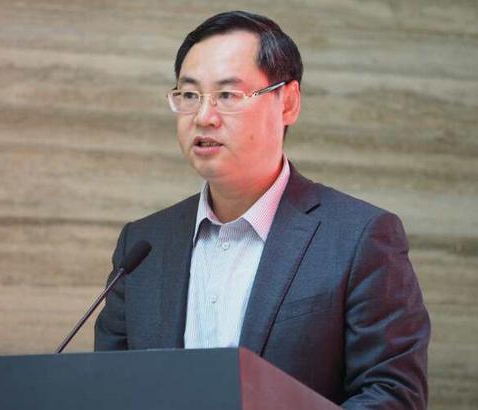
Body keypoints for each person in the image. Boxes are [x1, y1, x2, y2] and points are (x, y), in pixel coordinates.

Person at [94, 10, 430, 408]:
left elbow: (393, 394)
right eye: (190, 95)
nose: (203, 117)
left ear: (288, 103)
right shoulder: (142, 246)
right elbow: (110, 390)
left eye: (227, 95)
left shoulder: (359, 238)